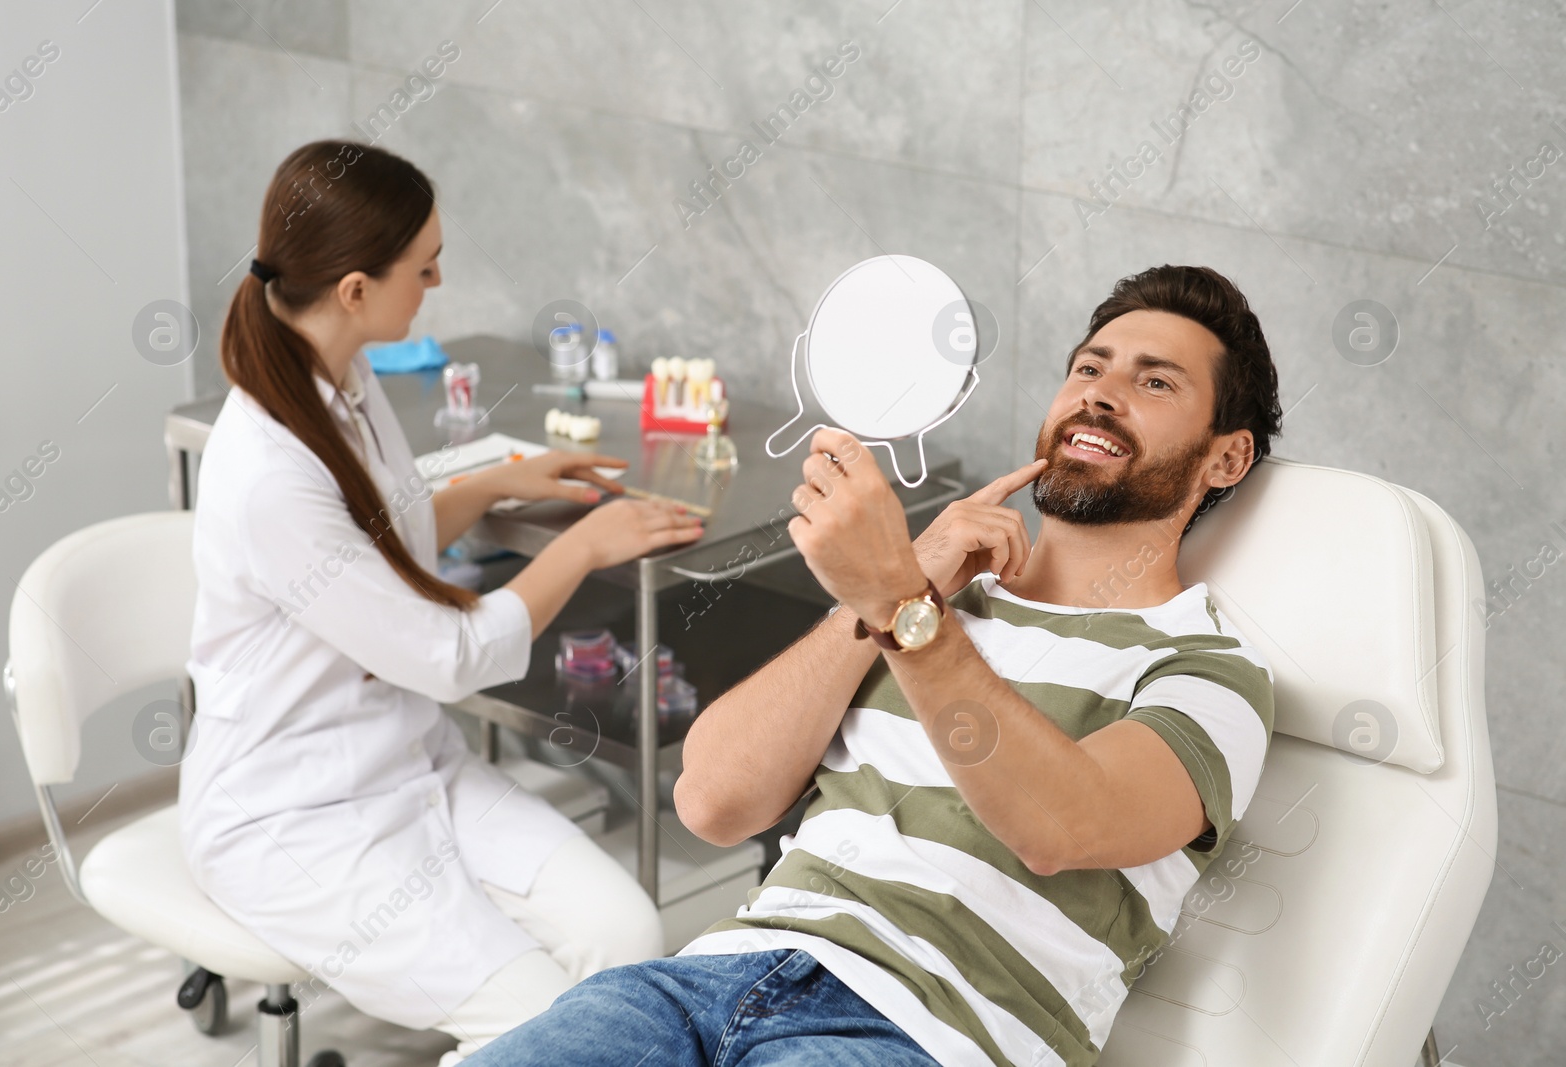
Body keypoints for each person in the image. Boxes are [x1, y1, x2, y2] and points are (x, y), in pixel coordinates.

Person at [463, 264, 1283, 1066]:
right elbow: (712, 799)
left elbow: (1058, 824)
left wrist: (900, 603)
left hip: (921, 1034)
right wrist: (889, 596)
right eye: (1088, 368)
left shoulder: (1208, 673)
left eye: (1156, 383)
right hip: (704, 982)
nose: (1101, 393)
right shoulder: (934, 599)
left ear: (1227, 457)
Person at [177, 140, 704, 1063]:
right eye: (423, 267)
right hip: (295, 815)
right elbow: (442, 654)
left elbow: (387, 524)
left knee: (629, 939)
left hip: (413, 765)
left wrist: (503, 480)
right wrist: (584, 545)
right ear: (353, 289)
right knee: (540, 1018)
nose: (438, 279)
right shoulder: (268, 470)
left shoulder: (338, 374)